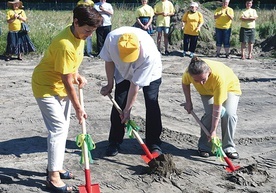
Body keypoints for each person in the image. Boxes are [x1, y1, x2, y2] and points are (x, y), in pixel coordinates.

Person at [31, 6, 103, 193]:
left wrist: (77, 73)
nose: (89, 35)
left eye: (92, 32)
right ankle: (53, 177)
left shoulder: (78, 36)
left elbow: (71, 69)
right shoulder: (65, 44)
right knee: (58, 129)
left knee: (63, 128)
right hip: (46, 87)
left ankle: (57, 166)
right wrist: (79, 107)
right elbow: (66, 80)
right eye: (87, 31)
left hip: (59, 86)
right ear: (76, 22)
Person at [99, 26, 163, 157]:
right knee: (119, 102)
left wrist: (128, 110)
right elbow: (109, 61)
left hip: (151, 73)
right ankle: (114, 141)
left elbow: (135, 86)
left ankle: (154, 143)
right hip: (123, 73)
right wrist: (110, 84)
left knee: (151, 102)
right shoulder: (111, 39)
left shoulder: (148, 53)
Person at [182, 57, 241, 159]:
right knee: (209, 114)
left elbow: (217, 107)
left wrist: (213, 131)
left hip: (230, 87)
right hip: (206, 92)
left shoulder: (218, 78)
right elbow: (185, 83)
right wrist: (188, 101)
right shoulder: (189, 72)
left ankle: (228, 147)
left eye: (203, 79)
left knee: (229, 114)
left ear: (209, 72)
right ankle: (204, 147)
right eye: (196, 80)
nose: (201, 83)